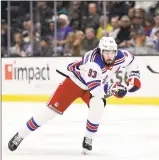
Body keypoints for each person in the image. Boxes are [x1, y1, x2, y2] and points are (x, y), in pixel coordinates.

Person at [8, 37, 141, 154]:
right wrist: (113, 88)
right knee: (49, 113)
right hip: (74, 83)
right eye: (106, 52)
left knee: (98, 105)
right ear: (101, 51)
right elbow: (96, 91)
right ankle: (20, 134)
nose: (110, 56)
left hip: (92, 86)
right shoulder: (94, 63)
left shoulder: (120, 56)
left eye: (112, 52)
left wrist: (134, 76)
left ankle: (88, 138)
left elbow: (132, 61)